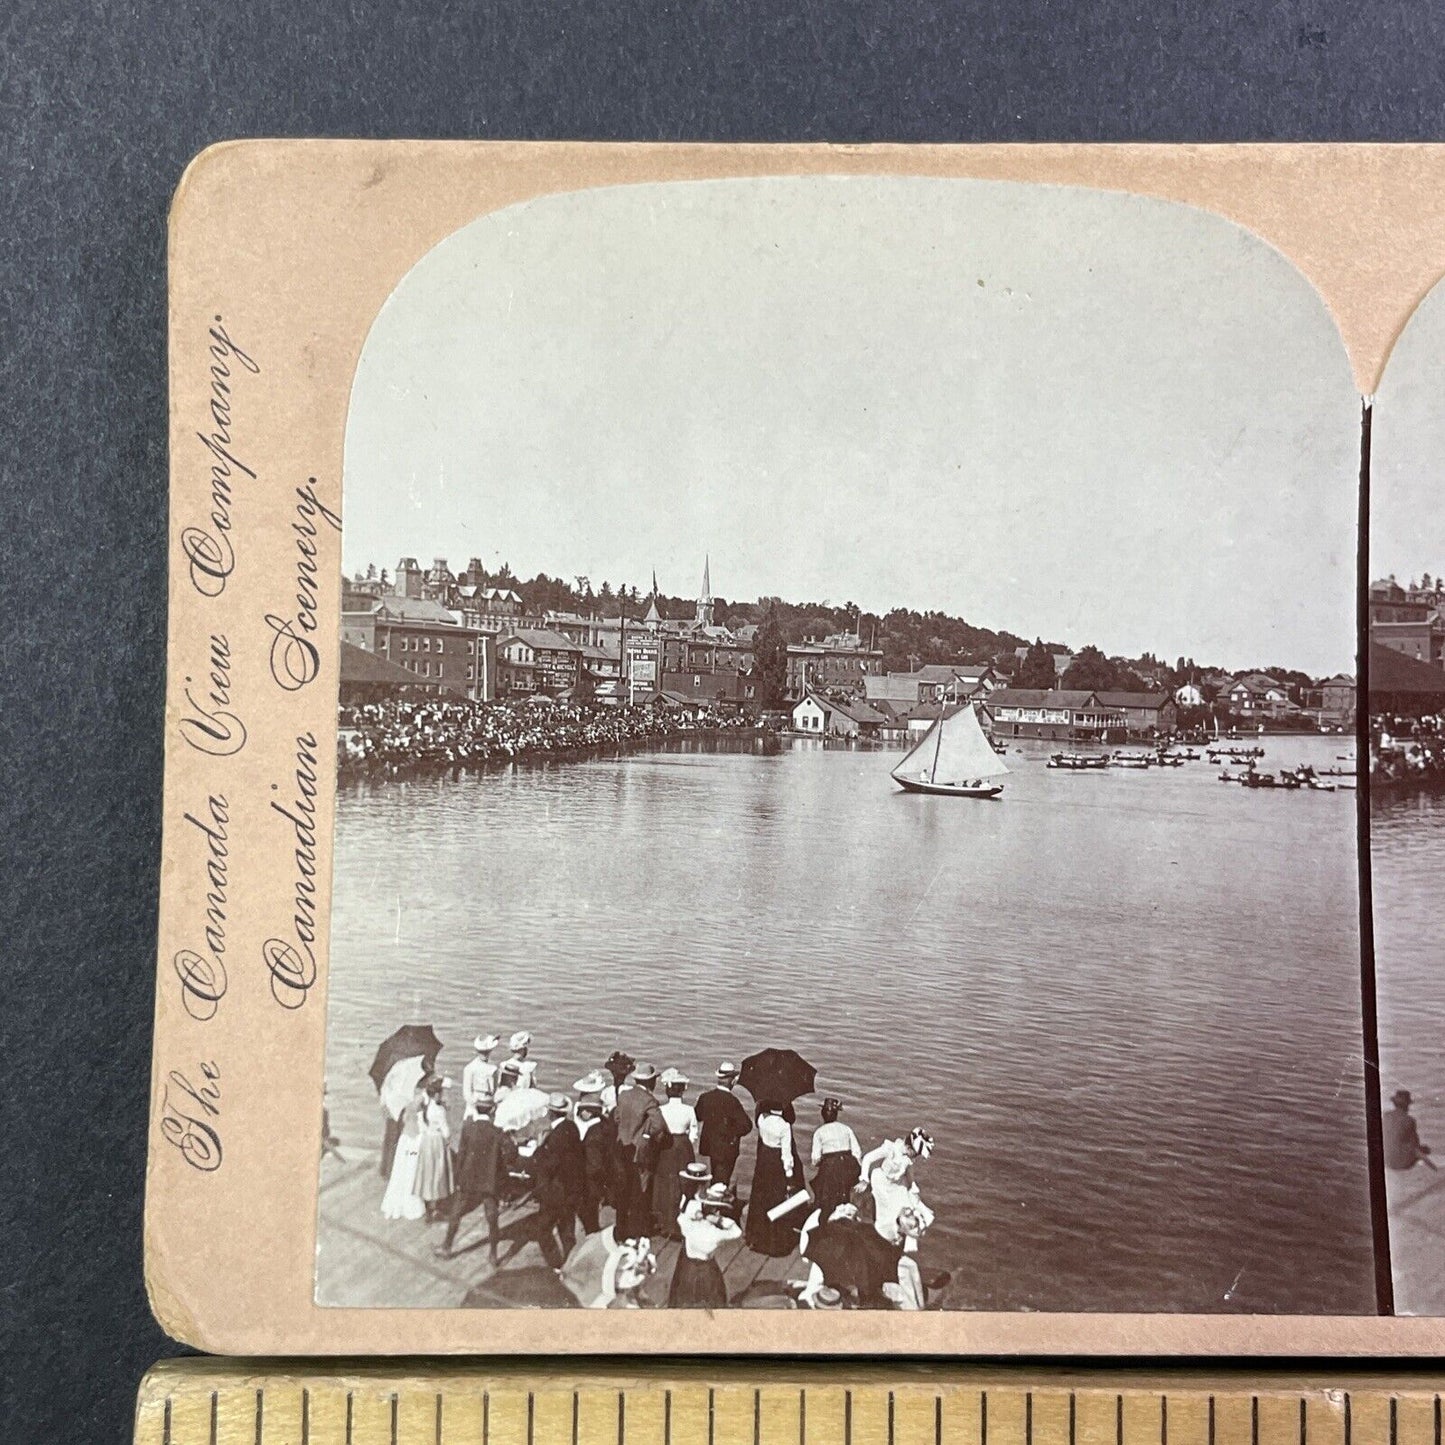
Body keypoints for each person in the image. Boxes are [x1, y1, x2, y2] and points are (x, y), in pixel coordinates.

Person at [434, 1096, 519, 1263]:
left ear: (476, 1109)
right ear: (493, 1110)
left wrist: (458, 1178)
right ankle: (493, 1254)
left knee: (456, 1213)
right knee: (492, 1217)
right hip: (489, 1181)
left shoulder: (468, 1128)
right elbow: (511, 1155)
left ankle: (446, 1247)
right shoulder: (497, 1132)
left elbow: (461, 1156)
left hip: (468, 1180)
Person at [527, 1093, 586, 1268]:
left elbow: (547, 1165)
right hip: (571, 1191)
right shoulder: (572, 1127)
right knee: (567, 1232)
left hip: (555, 1193)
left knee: (543, 1231)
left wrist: (539, 1149)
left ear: (551, 1113)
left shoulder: (555, 1137)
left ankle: (556, 1266)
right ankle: (572, 1265)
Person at [613, 1061, 668, 1241]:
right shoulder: (649, 1100)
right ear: (650, 1082)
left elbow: (617, 1117)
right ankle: (637, 1230)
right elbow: (659, 1125)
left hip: (622, 1148)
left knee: (623, 1190)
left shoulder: (624, 1095)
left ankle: (620, 1229)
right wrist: (646, 1134)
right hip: (639, 1151)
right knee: (640, 1191)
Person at [745, 1103, 804, 1257]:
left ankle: (755, 1237)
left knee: (760, 1197)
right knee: (776, 1199)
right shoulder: (784, 1126)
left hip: (764, 1159)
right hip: (776, 1162)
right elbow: (787, 1153)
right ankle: (774, 1241)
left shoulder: (762, 1119)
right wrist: (789, 1174)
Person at [670, 1185, 742, 1308]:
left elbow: (681, 1216)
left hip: (688, 1269)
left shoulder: (688, 1225)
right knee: (712, 1303)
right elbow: (736, 1232)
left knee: (684, 1301)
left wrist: (697, 1213)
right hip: (708, 1271)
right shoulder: (715, 1234)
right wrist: (719, 1220)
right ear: (716, 1212)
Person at [652, 1068, 702, 1238]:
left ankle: (664, 1221)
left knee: (664, 1182)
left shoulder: (661, 1110)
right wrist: (689, 1144)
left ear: (667, 1090)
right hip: (683, 1146)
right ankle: (680, 1222)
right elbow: (694, 1132)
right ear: (682, 1091)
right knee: (683, 1183)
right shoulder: (689, 1110)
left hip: (666, 1146)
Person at [559, 1226, 657, 1309]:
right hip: (597, 1276)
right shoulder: (627, 1256)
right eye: (645, 1264)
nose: (643, 1268)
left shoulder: (636, 1274)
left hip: (609, 1282)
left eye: (645, 1269)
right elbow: (619, 1266)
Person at [694, 1062, 753, 1186]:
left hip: (710, 1146)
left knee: (715, 1176)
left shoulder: (705, 1097)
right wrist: (730, 1132)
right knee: (722, 1181)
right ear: (732, 1081)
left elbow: (697, 1117)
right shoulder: (732, 1102)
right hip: (726, 1148)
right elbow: (747, 1126)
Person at [380, 1079, 426, 1221]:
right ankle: (411, 1203)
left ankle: (396, 1204)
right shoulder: (421, 1099)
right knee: (412, 1170)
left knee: (401, 1171)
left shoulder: (406, 1101)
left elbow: (405, 1119)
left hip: (404, 1141)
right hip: (414, 1141)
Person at [412, 1075, 455, 1221]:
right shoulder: (439, 1110)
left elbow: (421, 1126)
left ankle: (427, 1209)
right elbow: (446, 1131)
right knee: (438, 1173)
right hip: (437, 1142)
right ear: (437, 1094)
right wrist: (448, 1140)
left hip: (426, 1141)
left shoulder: (424, 1107)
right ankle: (436, 1208)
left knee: (426, 1173)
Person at [809, 1097, 862, 1215]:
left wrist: (821, 1162)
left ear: (823, 1114)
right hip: (849, 1164)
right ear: (836, 1114)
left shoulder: (819, 1132)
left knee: (824, 1193)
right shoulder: (846, 1129)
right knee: (845, 1192)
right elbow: (857, 1152)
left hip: (831, 1165)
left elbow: (815, 1159)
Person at [574, 1094, 614, 1233]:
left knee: (588, 1214)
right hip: (604, 1178)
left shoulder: (593, 1134)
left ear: (589, 1112)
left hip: (591, 1181)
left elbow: (594, 1164)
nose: (579, 1114)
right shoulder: (605, 1125)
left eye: (582, 1110)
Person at [1385, 1089, 1434, 1170]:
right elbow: (1414, 1145)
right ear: (1407, 1105)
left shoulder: (1386, 1116)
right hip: (1400, 1162)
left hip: (1387, 1159)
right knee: (1424, 1150)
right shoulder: (1409, 1120)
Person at [463, 1034, 501, 1113]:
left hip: (490, 1103)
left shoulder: (493, 1067)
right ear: (477, 1051)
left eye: (486, 1052)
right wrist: (475, 1104)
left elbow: (496, 1089)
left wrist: (494, 1103)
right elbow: (467, 1093)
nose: (484, 1055)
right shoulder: (470, 1068)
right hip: (475, 1103)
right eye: (482, 1052)